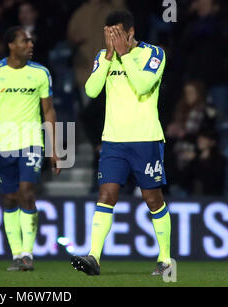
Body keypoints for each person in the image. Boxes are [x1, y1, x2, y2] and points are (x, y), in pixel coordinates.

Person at [70, 11, 171, 276]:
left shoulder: (153, 54)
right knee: (106, 195)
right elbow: (91, 91)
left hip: (145, 138)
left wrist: (124, 54)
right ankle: (93, 257)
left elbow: (143, 85)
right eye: (108, 34)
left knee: (152, 199)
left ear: (130, 32)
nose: (112, 39)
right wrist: (107, 56)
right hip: (113, 140)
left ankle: (165, 259)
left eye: (116, 34)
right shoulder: (104, 58)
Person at [0, 26, 60, 271]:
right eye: (25, 41)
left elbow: (49, 110)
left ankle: (28, 254)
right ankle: (16, 255)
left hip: (31, 143)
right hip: (3, 146)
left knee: (26, 192)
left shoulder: (41, 73)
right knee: (9, 199)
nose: (31, 44)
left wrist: (54, 148)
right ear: (11, 45)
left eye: (31, 41)